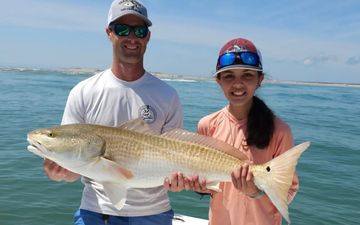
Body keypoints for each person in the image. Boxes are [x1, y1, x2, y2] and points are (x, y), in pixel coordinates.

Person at [42, 0, 188, 224]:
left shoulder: (168, 95)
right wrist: (58, 171)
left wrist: (180, 181)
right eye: (122, 29)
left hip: (154, 214)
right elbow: (74, 170)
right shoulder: (83, 92)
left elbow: (175, 157)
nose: (132, 37)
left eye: (139, 30)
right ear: (109, 33)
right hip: (95, 212)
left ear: (147, 36)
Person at [194, 38, 299, 225]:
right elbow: (207, 184)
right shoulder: (207, 125)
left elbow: (288, 192)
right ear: (218, 80)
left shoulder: (280, 131)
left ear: (260, 79)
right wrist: (198, 186)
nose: (238, 84)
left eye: (247, 75)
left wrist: (255, 192)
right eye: (228, 76)